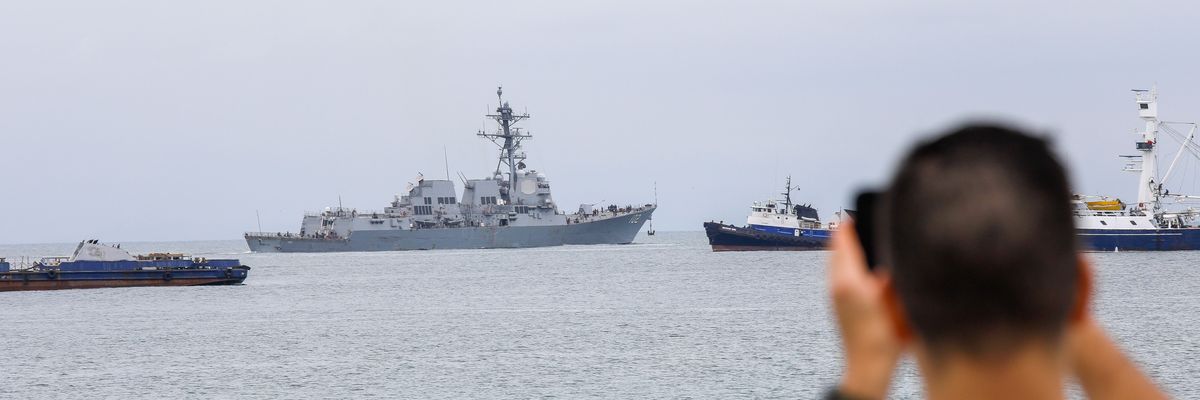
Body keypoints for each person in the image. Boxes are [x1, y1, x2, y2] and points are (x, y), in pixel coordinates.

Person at [827, 125, 1167, 400]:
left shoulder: (889, 319)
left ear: (892, 308)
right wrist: (1059, 301)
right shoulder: (1070, 299)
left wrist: (864, 374)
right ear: (1081, 288)